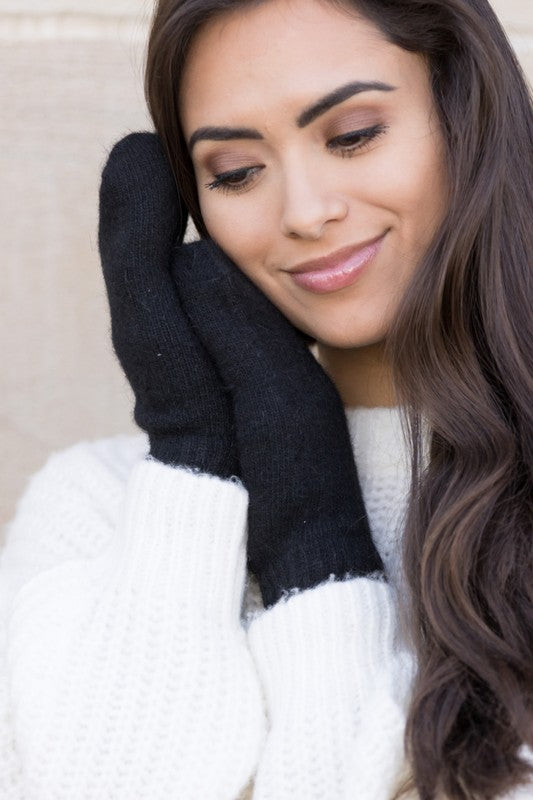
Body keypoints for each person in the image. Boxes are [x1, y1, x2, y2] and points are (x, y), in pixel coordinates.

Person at [1, 0, 531, 798]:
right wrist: (195, 458)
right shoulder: (99, 505)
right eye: (236, 173)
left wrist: (316, 556)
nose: (304, 213)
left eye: (352, 135)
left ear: (466, 118)